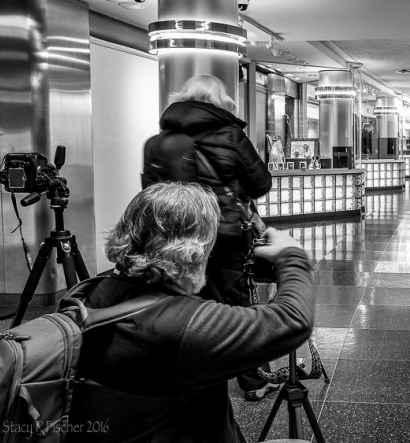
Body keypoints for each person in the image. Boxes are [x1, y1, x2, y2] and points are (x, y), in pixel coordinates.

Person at [66, 182, 315, 442]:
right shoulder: (182, 326)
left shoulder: (87, 296)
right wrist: (292, 256)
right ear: (193, 249)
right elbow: (293, 319)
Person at [142, 74, 276, 400]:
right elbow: (260, 183)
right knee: (239, 304)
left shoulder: (164, 136)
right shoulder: (230, 134)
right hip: (226, 233)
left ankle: (191, 377)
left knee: (185, 300)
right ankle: (254, 380)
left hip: (178, 234)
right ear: (221, 101)